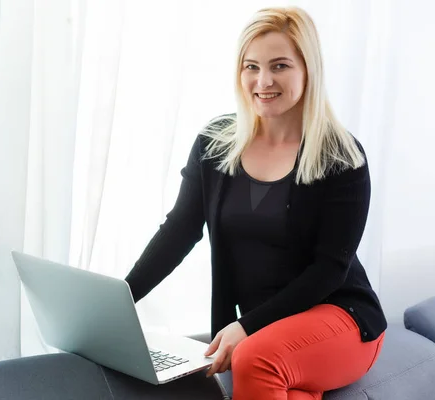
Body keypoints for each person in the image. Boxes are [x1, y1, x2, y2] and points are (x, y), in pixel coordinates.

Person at [124, 6, 387, 400]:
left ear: (307, 70)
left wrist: (246, 327)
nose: (263, 81)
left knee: (256, 359)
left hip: (341, 317)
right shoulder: (215, 143)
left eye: (280, 66)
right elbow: (178, 231)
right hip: (267, 329)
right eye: (251, 66)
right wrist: (120, 300)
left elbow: (330, 269)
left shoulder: (341, 156)